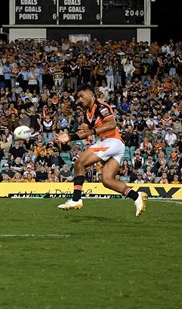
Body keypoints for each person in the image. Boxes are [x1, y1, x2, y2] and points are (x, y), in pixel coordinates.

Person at [54, 84, 147, 216]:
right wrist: (70, 136)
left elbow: (112, 124)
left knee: (79, 163)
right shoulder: (88, 113)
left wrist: (92, 131)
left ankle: (76, 199)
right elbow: (85, 132)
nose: (79, 100)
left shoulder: (101, 106)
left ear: (91, 93)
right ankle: (137, 197)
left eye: (81, 96)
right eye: (78, 98)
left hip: (111, 141)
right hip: (116, 144)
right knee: (107, 180)